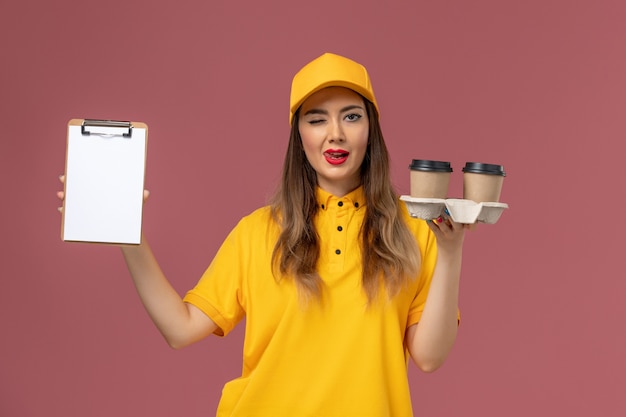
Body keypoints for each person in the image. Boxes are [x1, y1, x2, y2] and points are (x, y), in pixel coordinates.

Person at [58, 52, 467, 417]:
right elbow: (180, 329)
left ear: (371, 130)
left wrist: (451, 253)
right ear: (299, 135)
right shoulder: (258, 232)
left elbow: (429, 357)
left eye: (351, 115)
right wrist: (130, 234)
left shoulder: (413, 228)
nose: (335, 133)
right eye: (316, 118)